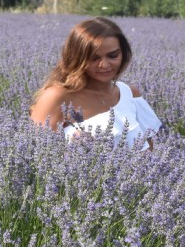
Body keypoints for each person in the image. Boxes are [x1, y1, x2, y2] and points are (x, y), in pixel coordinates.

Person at [30, 17, 161, 150]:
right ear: (77, 58)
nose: (104, 65)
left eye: (113, 56)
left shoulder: (130, 94)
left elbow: (150, 152)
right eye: (94, 58)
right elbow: (36, 153)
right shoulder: (57, 97)